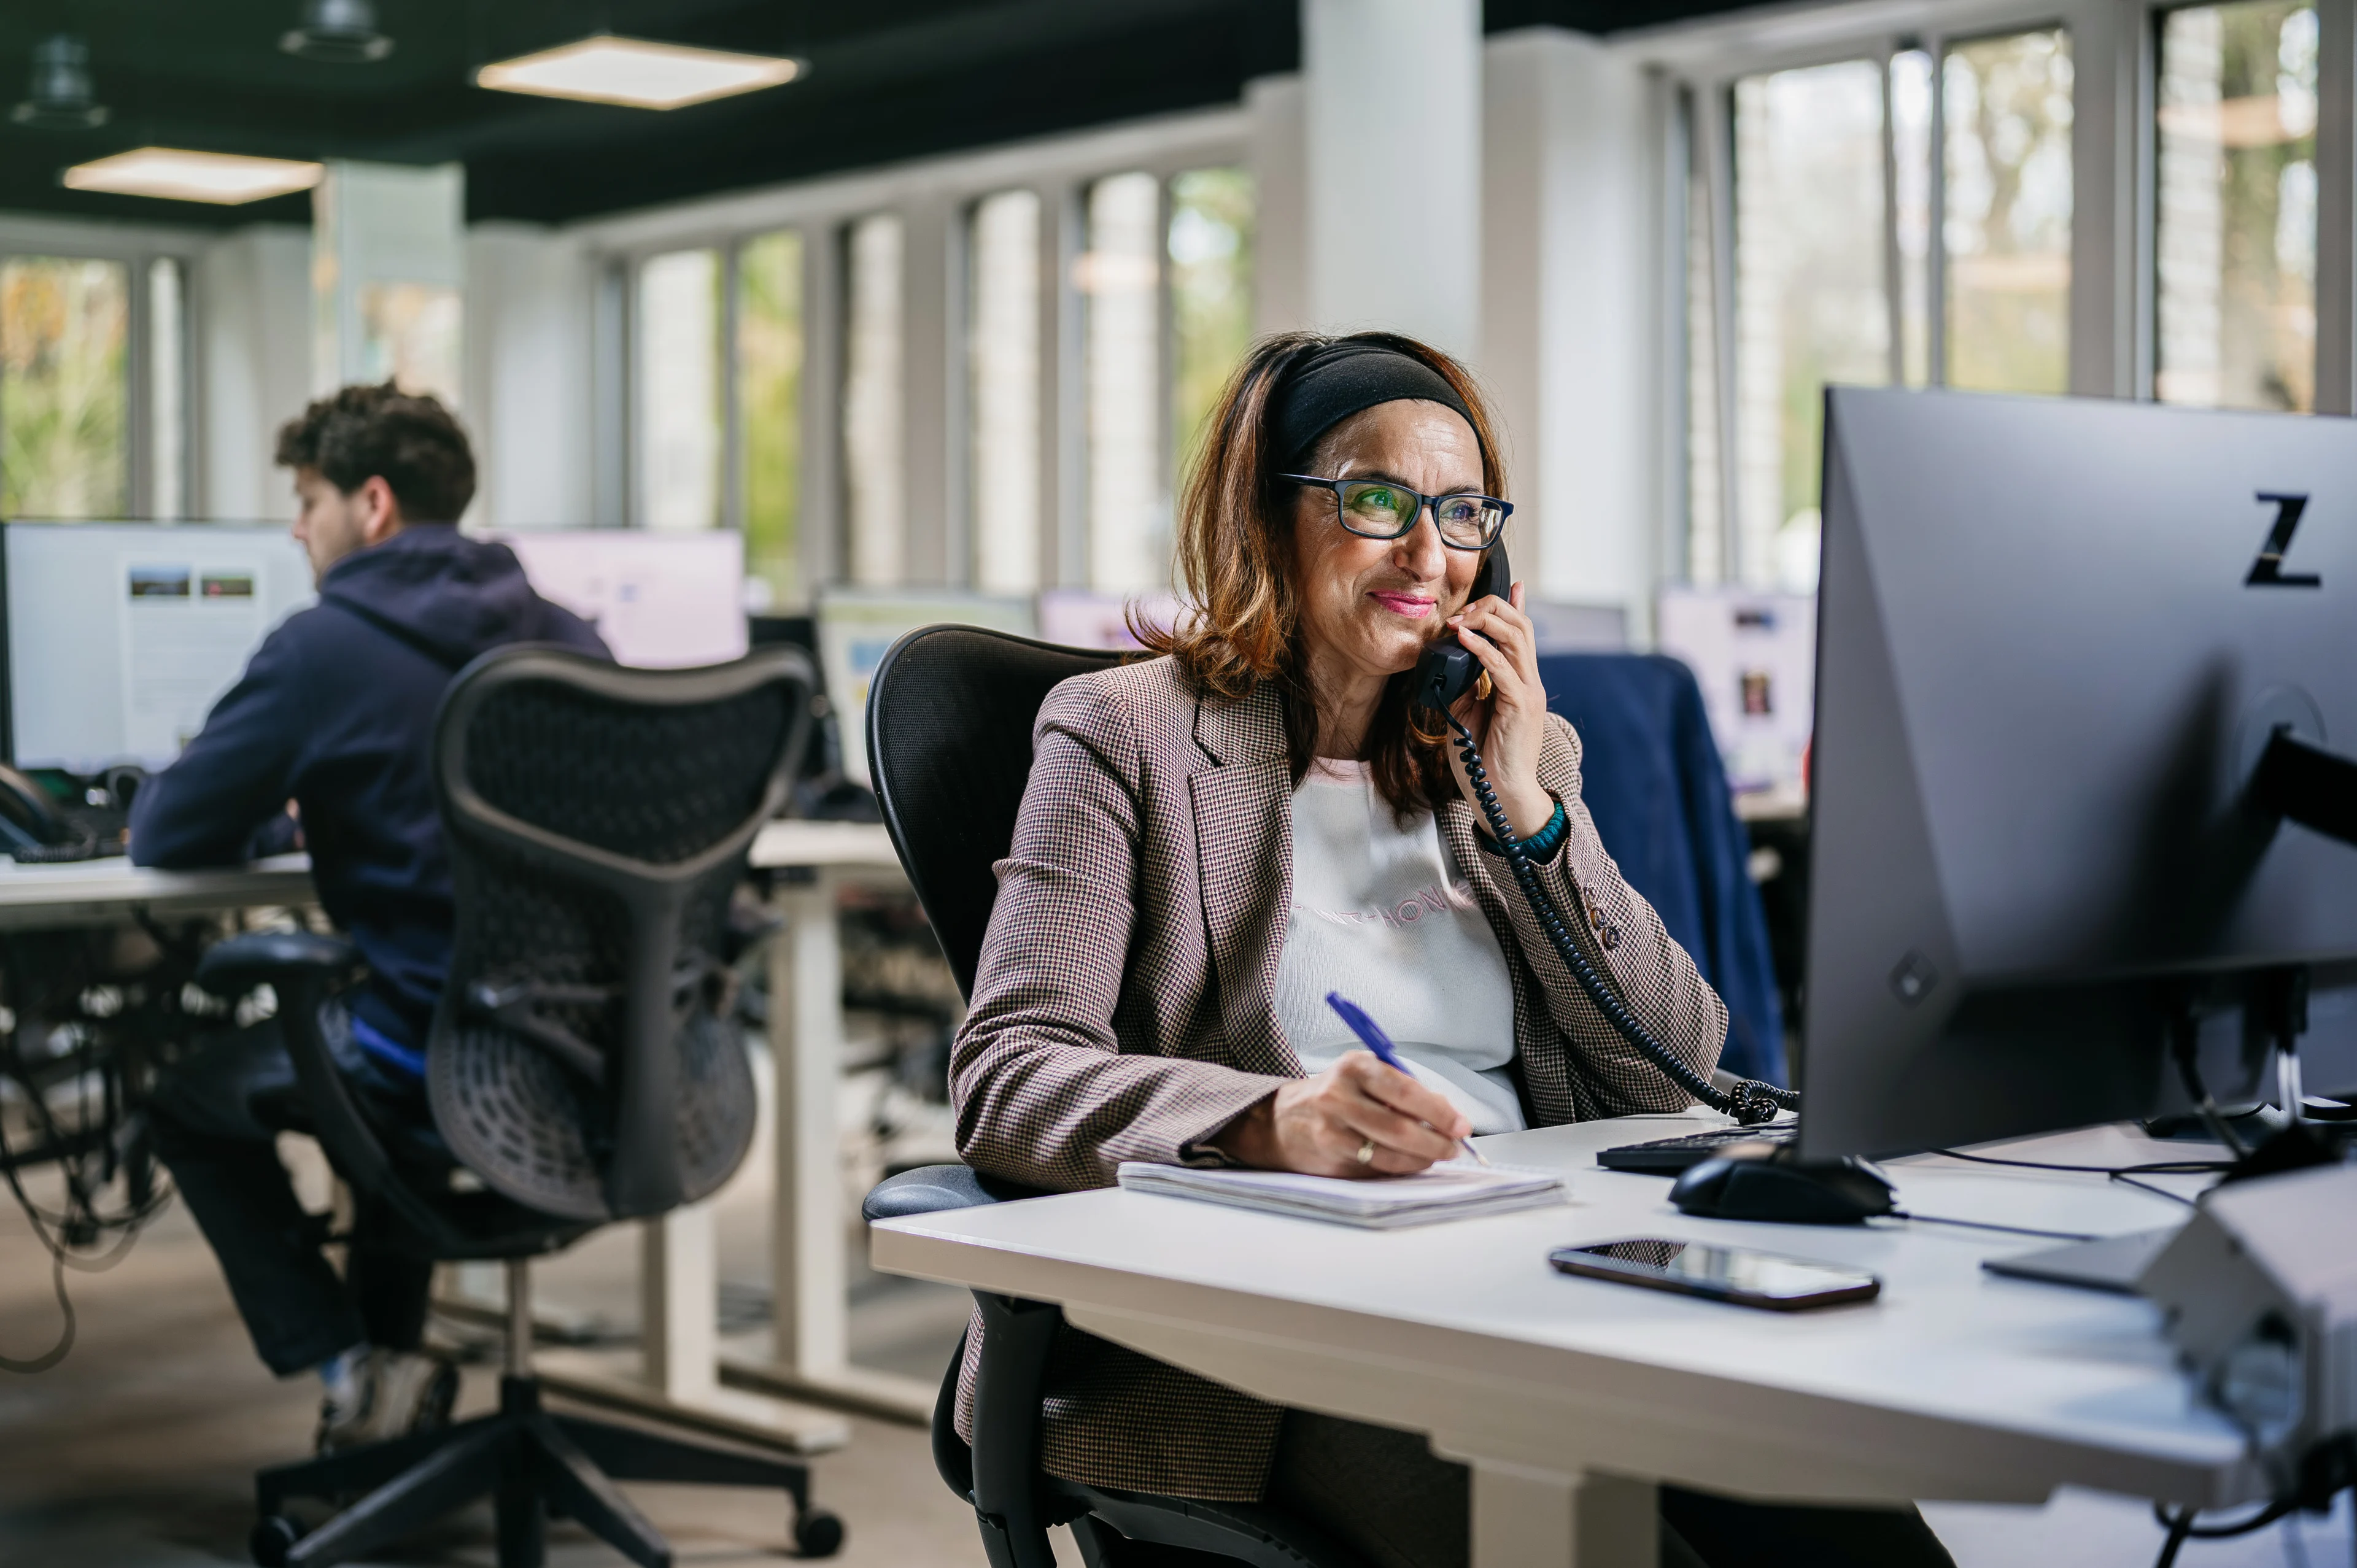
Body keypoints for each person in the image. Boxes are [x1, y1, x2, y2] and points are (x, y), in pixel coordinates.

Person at [948, 332, 1955, 1568]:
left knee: (1863, 1538)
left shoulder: (1502, 753)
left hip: (1539, 1267)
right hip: (1275, 1329)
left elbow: (1676, 1064)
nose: (1430, 550)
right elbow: (1010, 1070)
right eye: (1377, 501)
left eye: (1464, 509)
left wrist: (1527, 805)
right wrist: (1275, 1119)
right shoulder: (1124, 734)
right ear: (1269, 516)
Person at [133, 384, 609, 1453]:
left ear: (375, 503)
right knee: (391, 1038)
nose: (298, 526)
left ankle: (349, 1359)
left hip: (442, 1064)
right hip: (596, 1064)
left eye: (309, 499)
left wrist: (276, 821)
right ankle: (391, 1370)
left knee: (191, 1100)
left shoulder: (322, 647)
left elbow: (165, 830)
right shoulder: (571, 634)